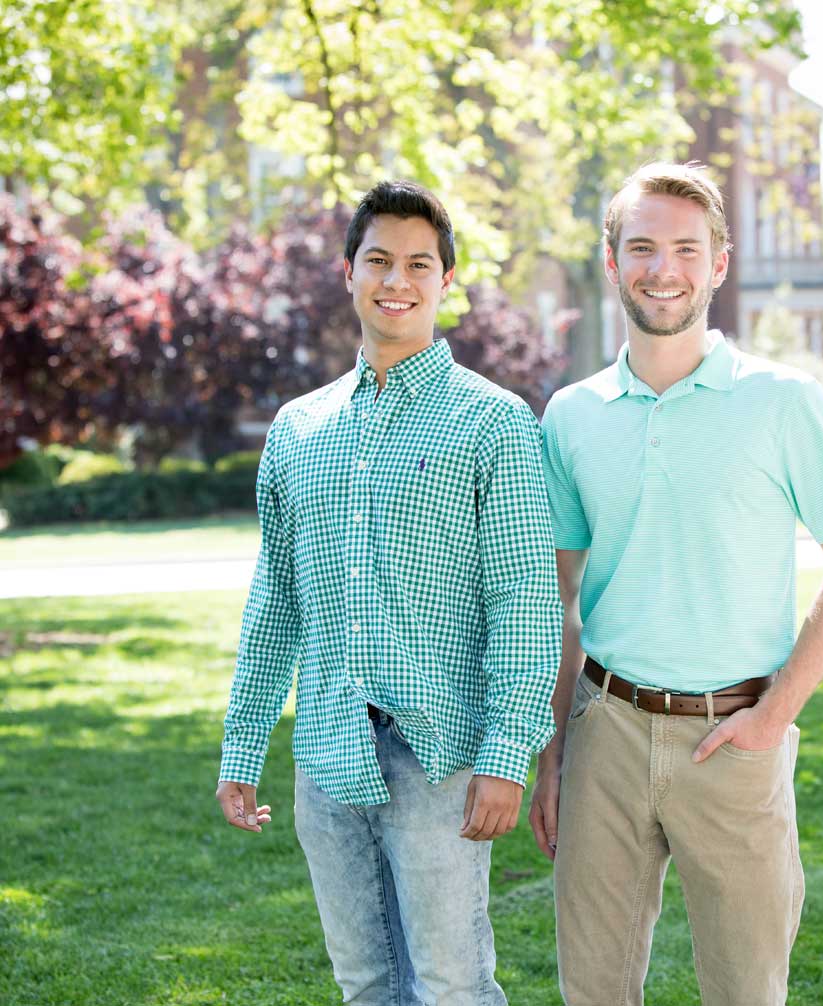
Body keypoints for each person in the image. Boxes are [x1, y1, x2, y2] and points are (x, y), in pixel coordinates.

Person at [530, 162, 823, 1006]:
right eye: (642, 247)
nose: (664, 268)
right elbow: (560, 600)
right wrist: (554, 752)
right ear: (611, 262)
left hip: (735, 740)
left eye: (687, 249)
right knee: (594, 992)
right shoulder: (571, 414)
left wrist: (777, 714)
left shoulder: (784, 401)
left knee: (744, 993)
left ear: (719, 263)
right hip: (604, 731)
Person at [216, 180, 561, 1006]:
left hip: (442, 755)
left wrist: (508, 756)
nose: (396, 280)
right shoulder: (299, 429)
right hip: (328, 755)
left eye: (418, 264)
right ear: (348, 273)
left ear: (445, 281)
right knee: (364, 984)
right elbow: (276, 601)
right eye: (378, 260)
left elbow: (526, 598)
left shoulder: (494, 422)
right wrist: (242, 745)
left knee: (452, 986)